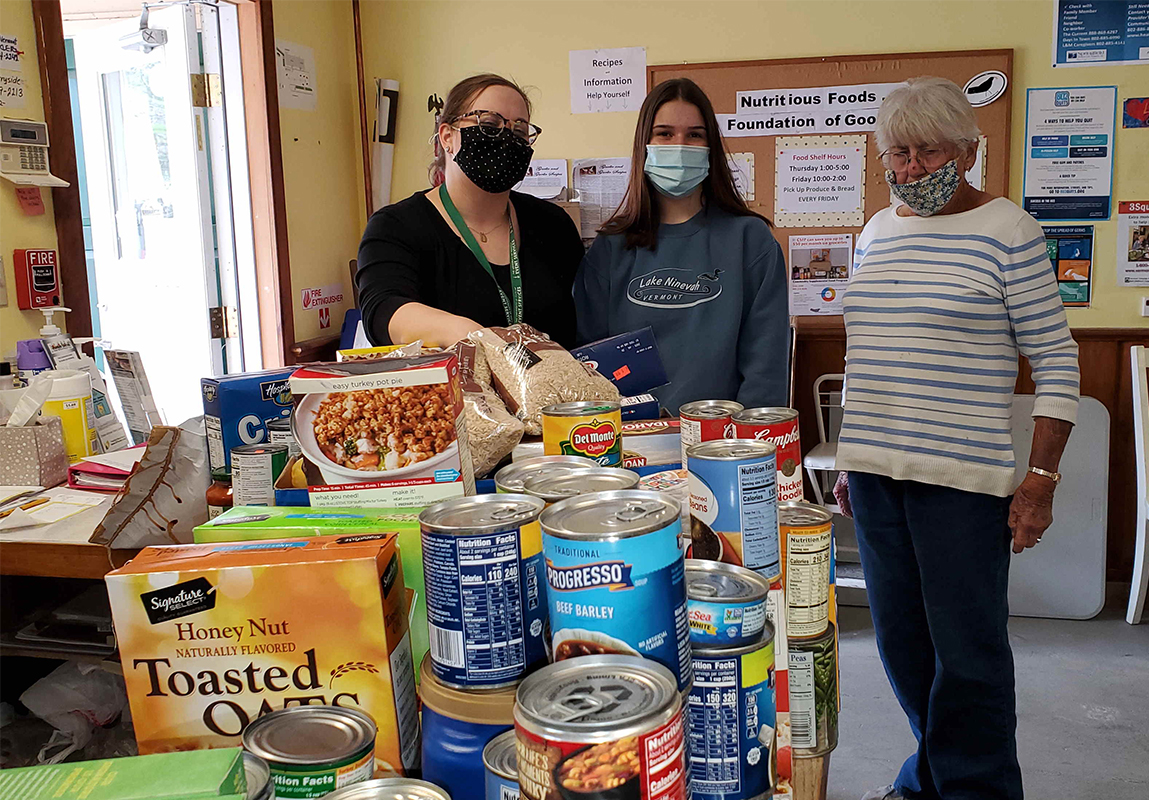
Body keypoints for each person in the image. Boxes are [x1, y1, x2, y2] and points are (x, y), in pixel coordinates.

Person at [832, 77, 1080, 800]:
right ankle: (930, 782)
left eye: (926, 152)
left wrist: (1042, 480)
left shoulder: (1009, 230)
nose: (910, 171)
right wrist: (852, 455)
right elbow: (863, 355)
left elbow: (1057, 360)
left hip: (963, 482)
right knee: (903, 648)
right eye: (895, 155)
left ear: (967, 150)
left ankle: (978, 791)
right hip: (876, 478)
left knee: (967, 657)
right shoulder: (876, 230)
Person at [573, 78, 789, 413]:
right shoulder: (610, 249)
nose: (680, 145)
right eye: (665, 133)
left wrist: (745, 442)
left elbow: (766, 366)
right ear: (645, 143)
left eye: (694, 135)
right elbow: (590, 369)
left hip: (722, 442)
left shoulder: (750, 241)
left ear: (710, 147)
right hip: (632, 442)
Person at [356, 74, 582, 348]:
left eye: (519, 131)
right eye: (489, 124)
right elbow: (384, 312)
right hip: (452, 389)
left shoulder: (553, 225)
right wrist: (479, 338)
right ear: (447, 136)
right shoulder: (396, 226)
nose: (506, 138)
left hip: (551, 389)